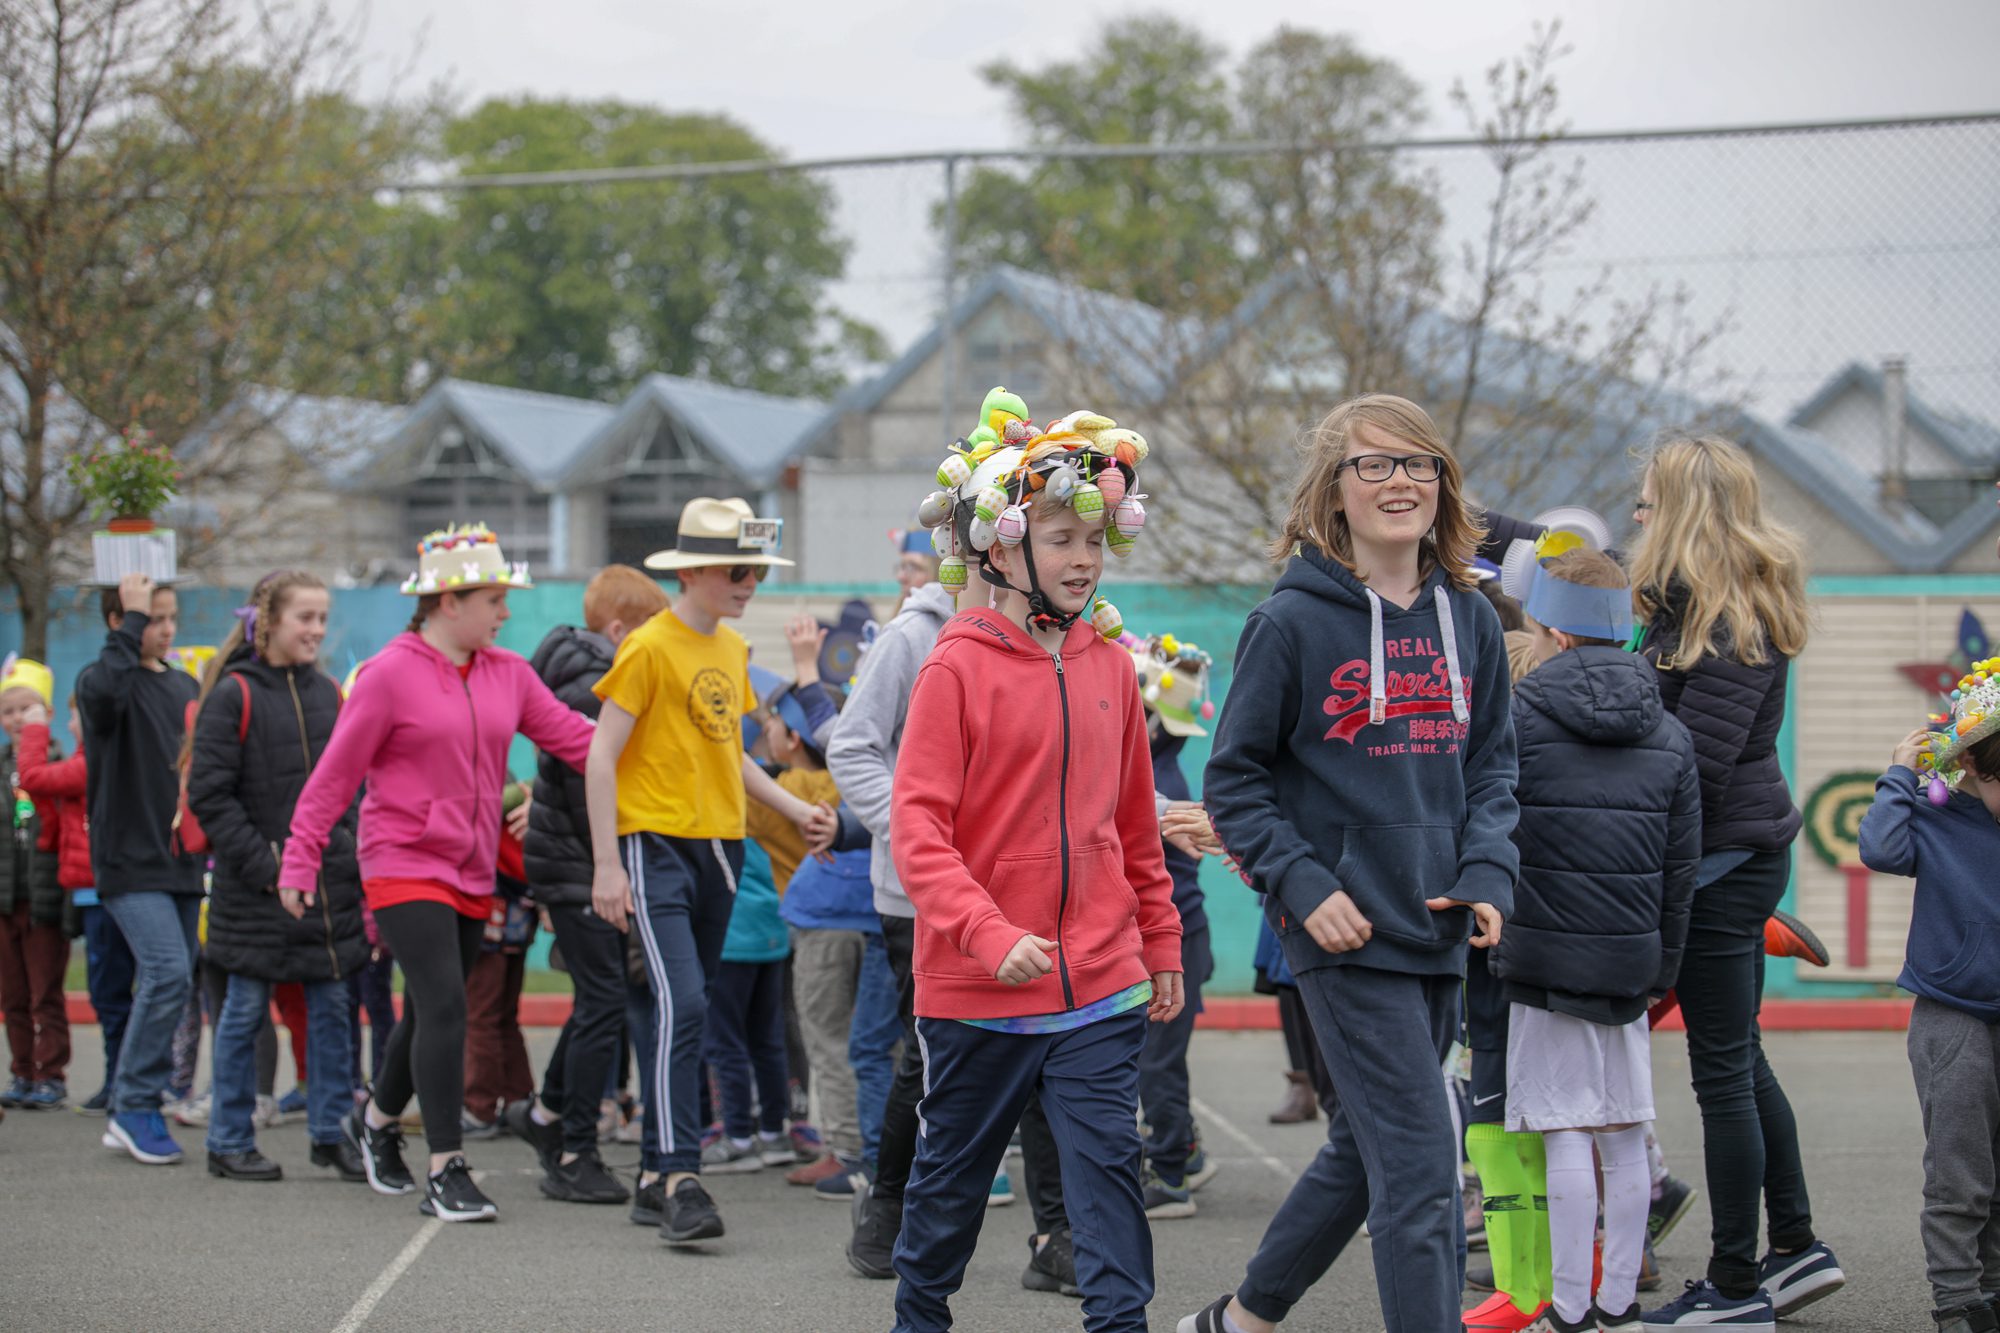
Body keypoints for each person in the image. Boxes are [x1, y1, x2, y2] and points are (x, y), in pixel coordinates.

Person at [1183, 393, 1519, 1333]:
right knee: (1422, 1168)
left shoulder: (1475, 621)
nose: (1400, 481)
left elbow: (1495, 767)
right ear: (1335, 491)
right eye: (1374, 464)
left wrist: (1489, 871)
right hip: (1344, 930)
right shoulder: (1290, 624)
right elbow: (1235, 782)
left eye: (1419, 464)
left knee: (1370, 1146)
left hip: (1442, 925)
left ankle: (1245, 1316)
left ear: (1443, 485)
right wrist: (1305, 884)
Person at [890, 407, 1184, 1333]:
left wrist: (1160, 936)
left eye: (1094, 536)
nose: (1084, 554)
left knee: (1107, 1174)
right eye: (1060, 536)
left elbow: (1135, 823)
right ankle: (919, 1317)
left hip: (1101, 977)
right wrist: (986, 931)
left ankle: (1120, 1324)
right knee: (952, 1185)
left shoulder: (1112, 667)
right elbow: (918, 832)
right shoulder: (956, 670)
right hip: (978, 987)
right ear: (1000, 550)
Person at [279, 524, 595, 1223]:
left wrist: (661, 748)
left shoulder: (509, 672)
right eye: (494, 599)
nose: (505, 613)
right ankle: (446, 1167)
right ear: (448, 602)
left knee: (428, 1008)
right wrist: (300, 855)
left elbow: (578, 740)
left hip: (471, 867)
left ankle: (377, 1117)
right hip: (401, 861)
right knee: (448, 1003)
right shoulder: (389, 674)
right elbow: (335, 778)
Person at [1626, 437, 1845, 1328]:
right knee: (1741, 1059)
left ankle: (1735, 1283)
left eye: (1646, 501)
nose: (1636, 514)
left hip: (1719, 862)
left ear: (1679, 509)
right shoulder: (1702, 606)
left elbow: (1694, 771)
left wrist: (1652, 880)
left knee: (1720, 1073)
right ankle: (1794, 1249)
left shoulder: (1719, 622)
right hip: (1737, 856)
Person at [583, 496, 832, 1245]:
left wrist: (793, 811)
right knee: (686, 1004)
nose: (750, 582)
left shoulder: (729, 650)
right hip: (653, 846)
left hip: (723, 849)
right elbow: (600, 755)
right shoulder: (649, 647)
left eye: (756, 570)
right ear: (693, 570)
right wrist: (605, 864)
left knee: (681, 1009)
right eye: (737, 569)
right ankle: (682, 1175)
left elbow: (735, 760)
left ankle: (655, 1176)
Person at [1488, 548, 1700, 1333]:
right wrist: (1661, 965)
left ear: (1554, 632)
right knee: (1623, 1128)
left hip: (1541, 958)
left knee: (1562, 1128)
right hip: (1630, 962)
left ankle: (1571, 1306)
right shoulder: (1671, 735)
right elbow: (1681, 868)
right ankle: (1619, 1302)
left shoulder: (1518, 719)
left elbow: (1496, 831)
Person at [186, 570, 369, 1184]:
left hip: (324, 887)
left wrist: (335, 847)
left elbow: (351, 783)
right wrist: (270, 869)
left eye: (322, 618)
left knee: (332, 1010)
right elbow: (210, 797)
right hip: (255, 888)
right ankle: (229, 1138)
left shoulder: (328, 695)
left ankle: (330, 1133)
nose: (316, 629)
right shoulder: (233, 695)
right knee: (243, 1013)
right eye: (305, 618)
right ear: (269, 623)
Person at [508, 564, 668, 1205]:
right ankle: (574, 1148)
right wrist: (608, 865)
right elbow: (595, 778)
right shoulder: (591, 684)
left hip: (573, 860)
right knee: (603, 1003)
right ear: (620, 630)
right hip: (577, 862)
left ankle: (549, 1117)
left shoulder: (582, 670)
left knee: (597, 1002)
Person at [1859, 685, 2000, 1333]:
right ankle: (1955, 1301)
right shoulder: (1938, 814)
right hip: (1953, 1015)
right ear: (1971, 765)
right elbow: (1882, 849)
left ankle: (1992, 1291)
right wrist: (1900, 773)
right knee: (1959, 1168)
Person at [78, 572, 202, 1165]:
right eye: (152, 618)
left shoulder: (184, 686)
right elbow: (101, 698)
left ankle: (139, 1101)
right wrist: (128, 624)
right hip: (128, 861)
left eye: (170, 616)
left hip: (181, 860)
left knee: (180, 980)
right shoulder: (106, 682)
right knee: (167, 972)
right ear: (121, 623)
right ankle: (131, 1106)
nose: (167, 628)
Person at [1125, 632, 1221, 1220]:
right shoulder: (1165, 773)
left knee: (1155, 1060)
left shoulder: (1160, 787)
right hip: (1181, 938)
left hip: (1171, 942)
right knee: (1162, 1056)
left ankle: (1167, 1172)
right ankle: (1181, 1152)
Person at [20, 694, 117, 1112]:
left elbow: (34, 776)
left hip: (102, 892)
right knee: (107, 991)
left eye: (75, 717)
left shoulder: (89, 762)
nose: (72, 725)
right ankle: (118, 1081)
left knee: (111, 993)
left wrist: (36, 727)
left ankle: (120, 1082)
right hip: (85, 889)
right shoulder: (85, 760)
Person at [0, 657, 72, 1109]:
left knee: (46, 989)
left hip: (45, 898)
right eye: (9, 711)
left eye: (27, 710)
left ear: (45, 713)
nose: (17, 719)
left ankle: (53, 1073)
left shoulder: (58, 763)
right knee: (13, 993)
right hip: (5, 899)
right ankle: (22, 1070)